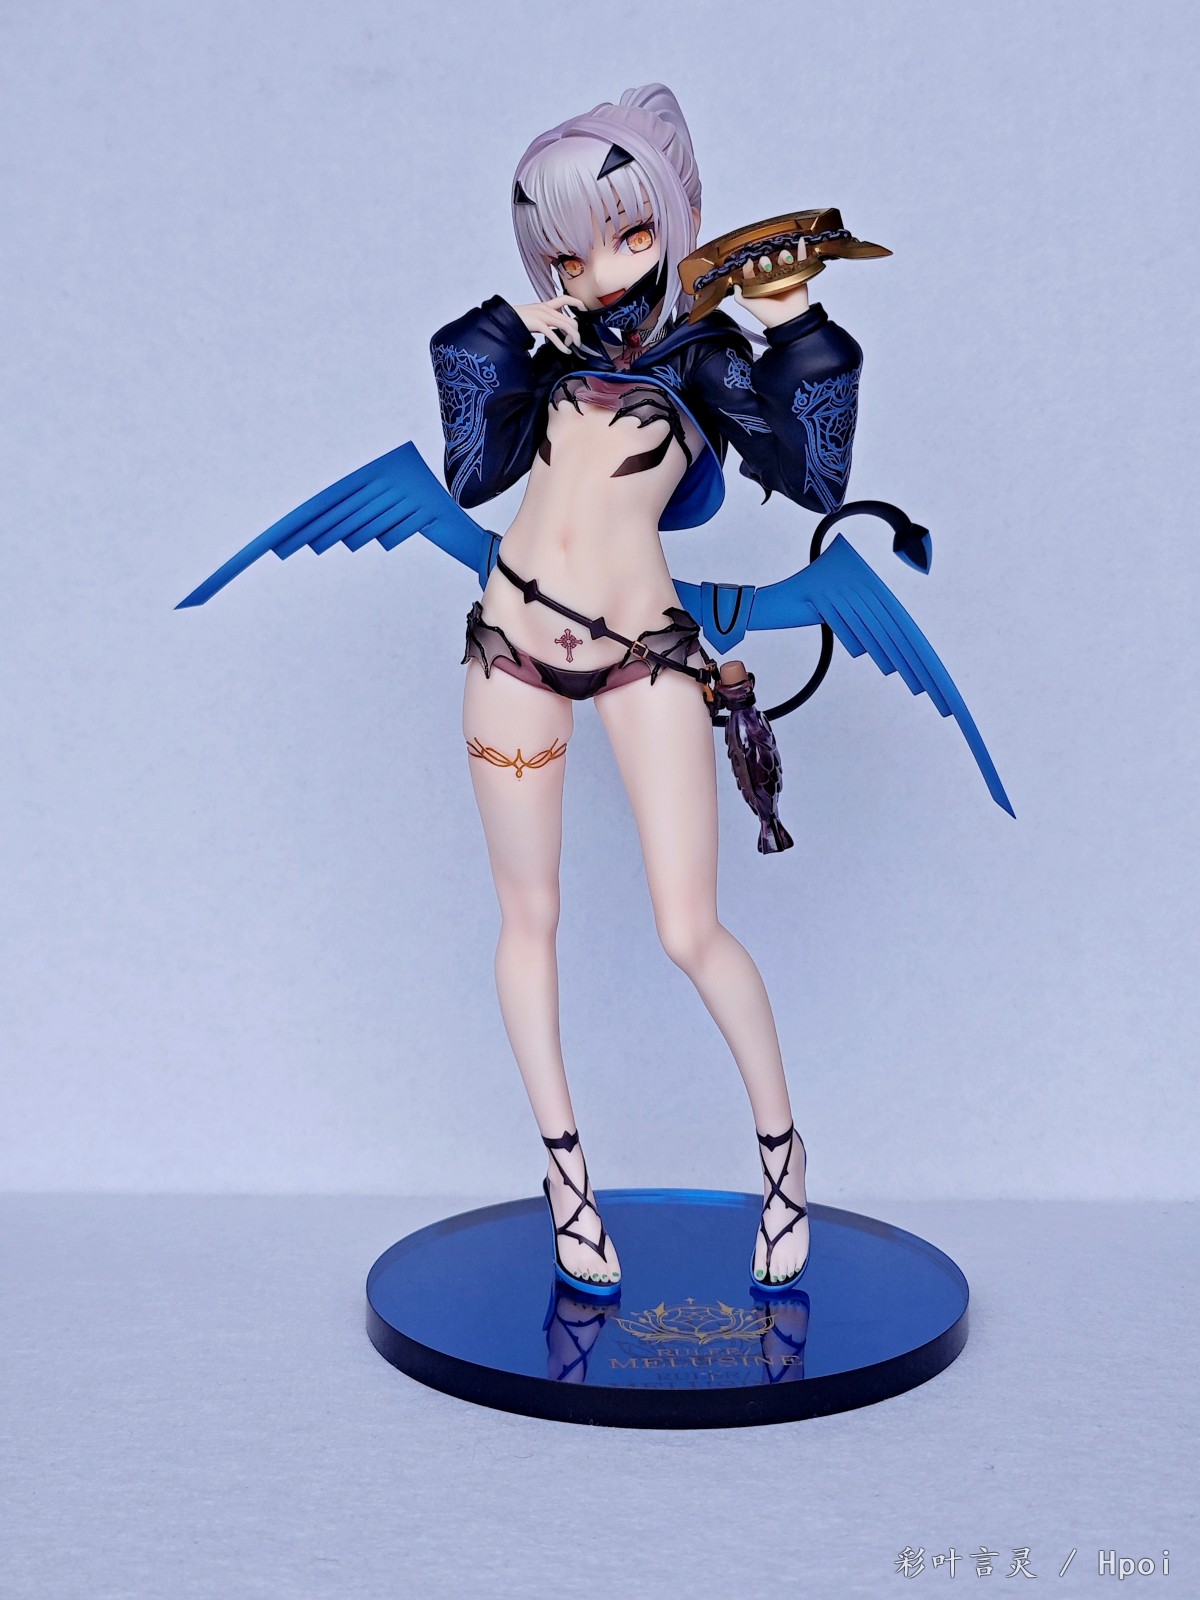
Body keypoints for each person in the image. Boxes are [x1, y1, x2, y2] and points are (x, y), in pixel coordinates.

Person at [431, 83, 865, 1297]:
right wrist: (510, 332)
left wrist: (796, 320)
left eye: (625, 234)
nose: (598, 270)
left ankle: (783, 1161)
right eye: (566, 251)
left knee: (690, 927)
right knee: (529, 916)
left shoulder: (707, 358)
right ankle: (567, 1182)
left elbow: (817, 475)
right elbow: (469, 468)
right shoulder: (548, 346)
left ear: (670, 221)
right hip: (513, 640)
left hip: (643, 648)